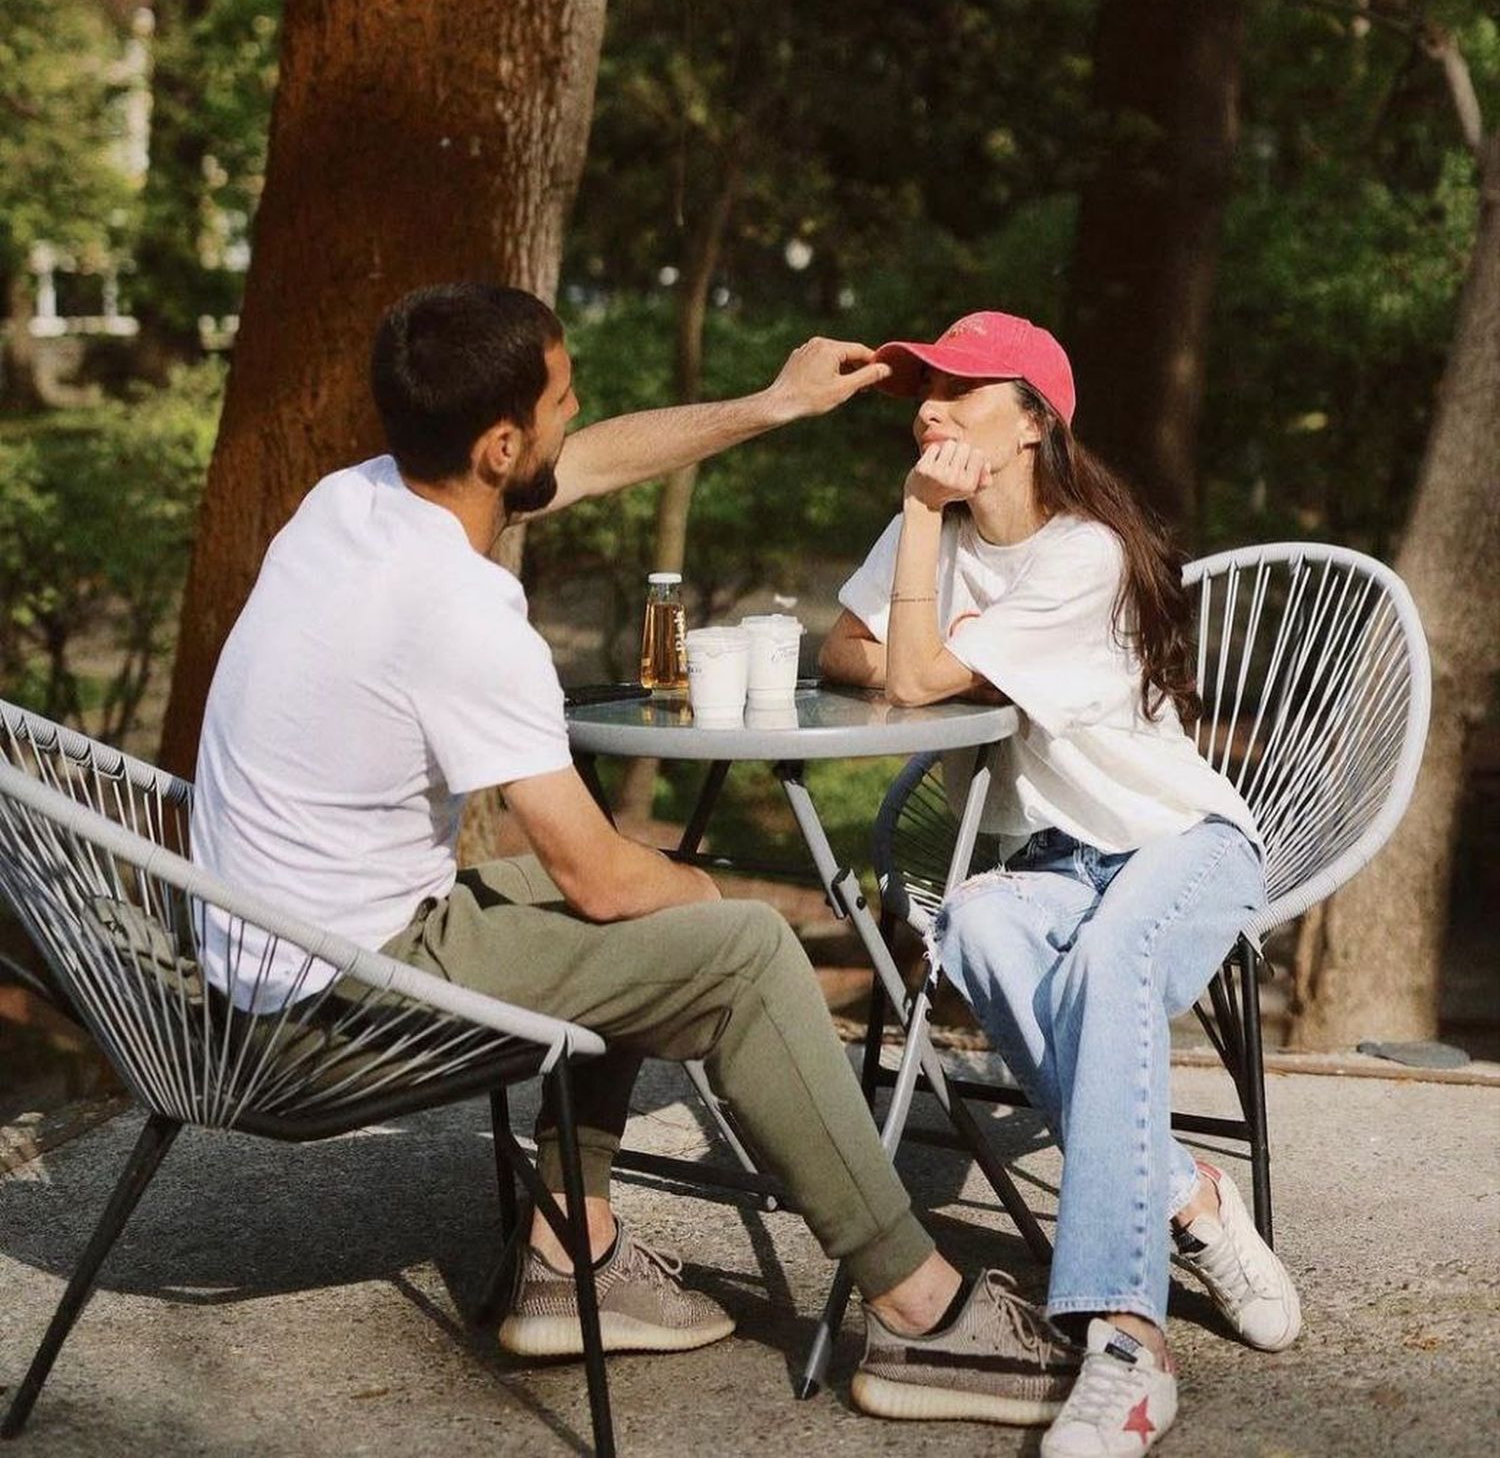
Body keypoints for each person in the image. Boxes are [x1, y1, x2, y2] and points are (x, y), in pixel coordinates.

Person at [191, 281, 1081, 1425]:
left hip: (269, 950)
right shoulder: (458, 607)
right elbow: (598, 880)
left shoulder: (351, 501)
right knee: (732, 943)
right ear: (500, 444)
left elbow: (589, 462)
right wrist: (705, 897)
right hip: (328, 1012)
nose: (578, 415)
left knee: (643, 911)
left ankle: (572, 1251)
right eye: (562, 399)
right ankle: (922, 1313)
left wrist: (771, 402)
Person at [820, 310, 1302, 1456]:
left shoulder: (1081, 552)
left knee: (1109, 961)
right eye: (925, 384)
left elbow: (914, 672)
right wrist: (926, 574)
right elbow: (847, 650)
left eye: (961, 386)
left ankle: (1127, 1342)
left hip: (1181, 840)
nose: (931, 405)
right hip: (1056, 859)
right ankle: (1188, 1195)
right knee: (977, 919)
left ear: (1033, 421)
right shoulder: (931, 527)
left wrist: (930, 618)